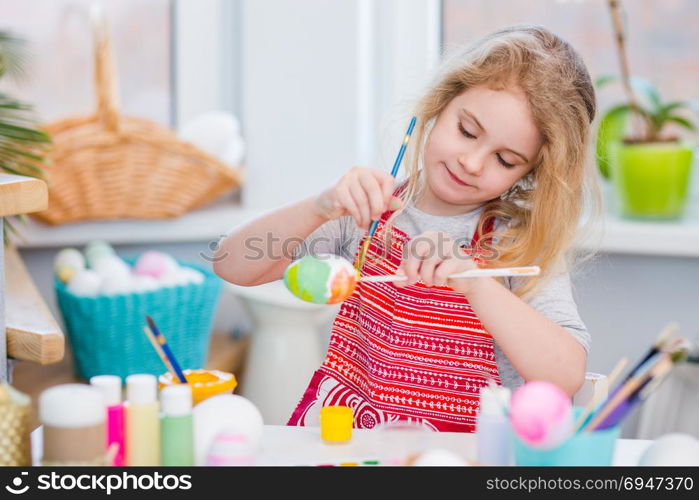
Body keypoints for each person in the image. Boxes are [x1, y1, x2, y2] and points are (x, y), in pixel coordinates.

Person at [214, 25, 600, 432]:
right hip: (354, 451)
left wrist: (476, 283)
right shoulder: (367, 214)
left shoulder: (520, 243)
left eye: (505, 160)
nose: (472, 162)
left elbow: (565, 375)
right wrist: (318, 207)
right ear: (439, 105)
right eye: (467, 131)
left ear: (530, 172)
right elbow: (230, 263)